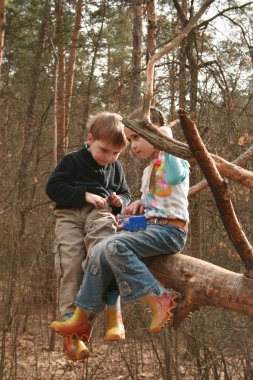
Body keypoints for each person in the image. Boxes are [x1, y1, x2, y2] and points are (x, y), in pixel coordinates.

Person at [49, 107, 189, 347]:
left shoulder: (172, 159)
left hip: (167, 229)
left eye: (134, 139)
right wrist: (134, 204)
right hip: (139, 225)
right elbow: (154, 199)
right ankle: (79, 319)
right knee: (89, 257)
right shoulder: (147, 169)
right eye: (129, 140)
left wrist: (165, 137)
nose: (130, 148)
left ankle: (153, 299)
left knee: (108, 246)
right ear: (90, 140)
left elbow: (175, 178)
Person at [46, 112, 130, 360]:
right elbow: (53, 188)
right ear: (89, 139)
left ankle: (109, 315)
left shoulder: (115, 167)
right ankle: (72, 335)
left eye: (116, 153)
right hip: (69, 217)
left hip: (100, 216)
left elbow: (125, 194)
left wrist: (119, 201)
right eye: (104, 151)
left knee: (101, 256)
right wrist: (84, 195)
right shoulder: (72, 160)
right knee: (71, 266)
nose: (109, 158)